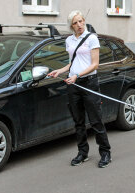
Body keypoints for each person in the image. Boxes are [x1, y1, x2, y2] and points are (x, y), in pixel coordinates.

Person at [48, 10, 112, 168]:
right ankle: (82, 152)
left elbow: (94, 64)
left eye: (81, 21)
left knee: (96, 120)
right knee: (78, 121)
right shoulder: (69, 40)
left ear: (84, 21)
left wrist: (77, 75)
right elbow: (73, 62)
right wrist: (61, 71)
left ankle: (105, 153)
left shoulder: (91, 38)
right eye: (75, 23)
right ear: (71, 26)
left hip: (89, 82)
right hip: (73, 84)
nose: (79, 25)